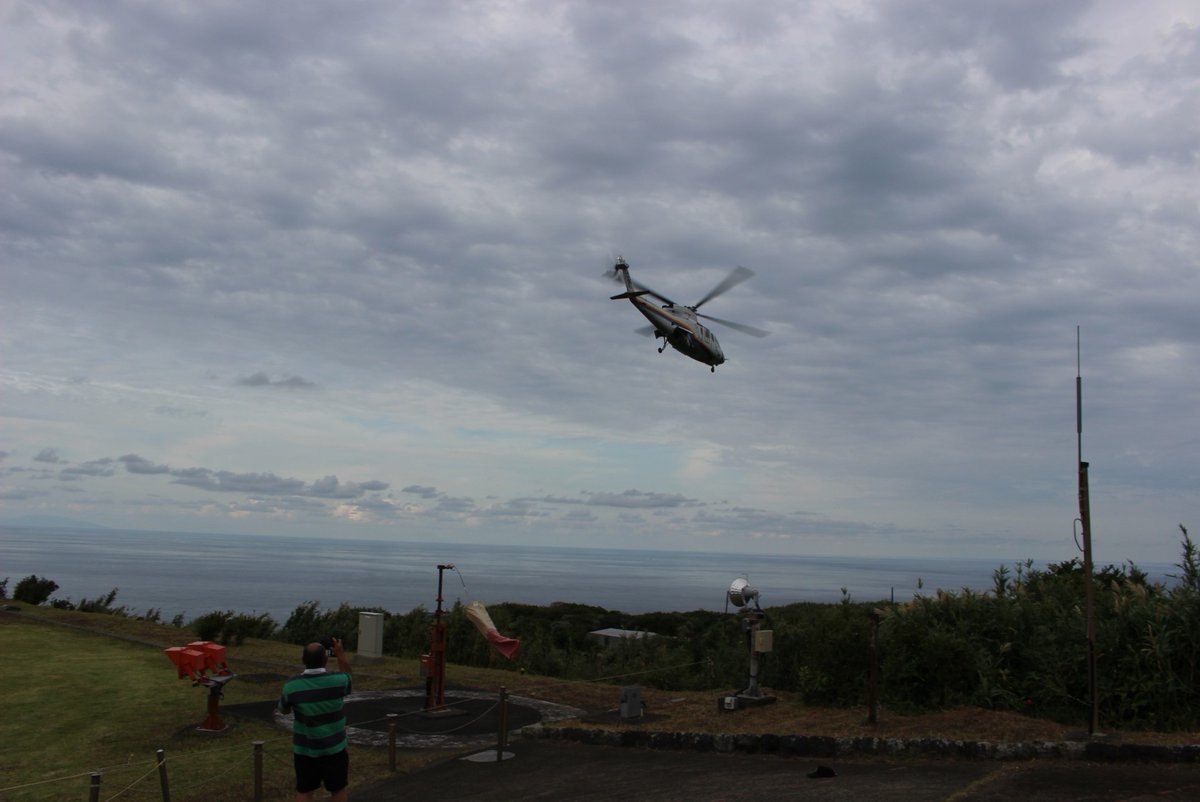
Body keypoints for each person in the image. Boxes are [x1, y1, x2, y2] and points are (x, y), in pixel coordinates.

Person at [278, 638, 353, 801]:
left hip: (305, 749)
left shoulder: (291, 686)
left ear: (303, 660)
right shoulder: (338, 682)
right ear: (326, 659)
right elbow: (348, 677)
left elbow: (283, 710)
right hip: (335, 748)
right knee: (338, 789)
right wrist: (340, 655)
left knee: (304, 790)